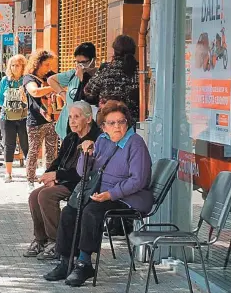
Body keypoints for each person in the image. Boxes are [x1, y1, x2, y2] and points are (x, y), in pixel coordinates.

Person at [44, 100, 152, 287]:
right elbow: (81, 172)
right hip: (100, 192)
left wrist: (111, 194)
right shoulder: (102, 140)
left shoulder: (135, 143)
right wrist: (86, 154)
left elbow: (138, 180)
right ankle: (65, 260)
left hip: (128, 197)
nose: (117, 126)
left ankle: (84, 262)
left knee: (91, 210)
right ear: (103, 126)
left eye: (121, 121)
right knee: (71, 209)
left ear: (128, 122)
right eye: (112, 123)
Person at [25, 102, 101, 261]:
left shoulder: (96, 139)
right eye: (70, 117)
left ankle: (56, 241)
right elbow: (58, 161)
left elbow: (84, 172)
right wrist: (49, 175)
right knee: (34, 195)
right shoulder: (71, 137)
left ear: (88, 119)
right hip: (64, 180)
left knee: (46, 196)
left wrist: (57, 176)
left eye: (76, 117)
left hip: (81, 184)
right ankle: (41, 239)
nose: (72, 121)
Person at [23, 50, 60, 190]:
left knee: (52, 152)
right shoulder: (29, 78)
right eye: (46, 64)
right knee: (33, 151)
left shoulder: (50, 76)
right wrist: (54, 87)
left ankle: (50, 180)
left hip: (51, 120)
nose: (48, 68)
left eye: (50, 64)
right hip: (35, 121)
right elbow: (35, 92)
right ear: (37, 64)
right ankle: (30, 181)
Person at [83, 35, 139, 125]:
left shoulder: (106, 69)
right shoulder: (140, 70)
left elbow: (88, 91)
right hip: (133, 123)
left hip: (108, 122)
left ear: (114, 51)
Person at [48, 42, 98, 140]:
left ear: (93, 60)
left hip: (85, 130)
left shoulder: (97, 77)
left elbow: (90, 100)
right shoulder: (72, 74)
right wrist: (63, 95)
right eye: (77, 62)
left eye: (83, 62)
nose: (80, 66)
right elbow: (51, 80)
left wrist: (83, 79)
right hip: (66, 129)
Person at [0, 54, 29, 183]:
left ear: (23, 66)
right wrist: (8, 103)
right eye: (13, 65)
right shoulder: (5, 80)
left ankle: (29, 172)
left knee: (26, 144)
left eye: (18, 65)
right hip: (7, 116)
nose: (15, 68)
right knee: (9, 144)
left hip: (24, 116)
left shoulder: (26, 80)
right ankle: (8, 173)